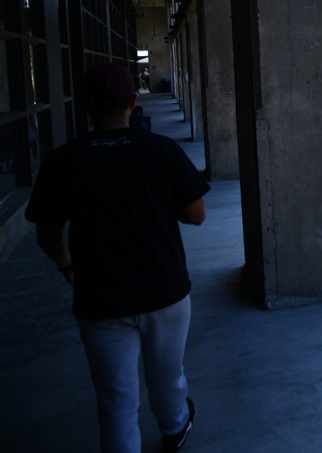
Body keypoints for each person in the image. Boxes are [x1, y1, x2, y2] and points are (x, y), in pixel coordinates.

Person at [25, 63, 209, 453]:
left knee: (116, 400)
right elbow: (196, 215)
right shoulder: (160, 150)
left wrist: (67, 264)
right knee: (168, 376)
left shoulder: (63, 160)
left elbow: (47, 232)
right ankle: (175, 427)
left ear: (86, 107)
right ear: (132, 102)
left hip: (99, 296)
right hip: (164, 289)